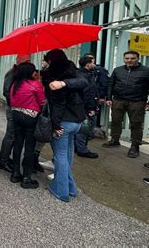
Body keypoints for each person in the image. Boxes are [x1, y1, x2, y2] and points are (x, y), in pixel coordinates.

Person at [41, 49, 88, 202]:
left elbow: (57, 105)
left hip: (63, 123)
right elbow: (84, 82)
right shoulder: (74, 72)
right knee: (67, 155)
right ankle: (71, 188)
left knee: (60, 156)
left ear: (51, 61)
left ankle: (61, 191)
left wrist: (55, 126)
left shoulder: (52, 78)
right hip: (77, 122)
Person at [102, 51, 149, 158]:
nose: (129, 60)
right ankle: (115, 140)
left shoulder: (147, 71)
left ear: (138, 59)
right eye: (127, 58)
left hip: (137, 101)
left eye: (132, 58)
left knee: (136, 124)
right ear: (124, 59)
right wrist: (109, 98)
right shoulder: (118, 70)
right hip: (118, 100)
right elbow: (111, 84)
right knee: (116, 120)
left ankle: (135, 146)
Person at [9, 62, 45, 189]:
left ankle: (15, 174)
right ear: (30, 72)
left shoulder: (15, 84)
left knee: (18, 144)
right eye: (34, 71)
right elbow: (42, 102)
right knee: (30, 147)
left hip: (16, 115)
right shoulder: (35, 85)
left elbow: (12, 100)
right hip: (30, 117)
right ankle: (26, 178)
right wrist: (39, 83)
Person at [0, 54, 30, 174]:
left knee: (14, 134)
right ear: (21, 62)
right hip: (13, 108)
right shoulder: (12, 74)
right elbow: (6, 91)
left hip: (16, 107)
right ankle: (3, 161)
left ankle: (6, 158)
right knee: (11, 134)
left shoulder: (18, 74)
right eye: (27, 61)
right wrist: (16, 103)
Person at [75, 56, 99, 158]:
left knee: (81, 128)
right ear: (88, 64)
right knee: (84, 129)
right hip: (85, 107)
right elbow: (88, 93)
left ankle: (78, 147)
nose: (95, 65)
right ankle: (82, 150)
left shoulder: (82, 74)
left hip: (81, 105)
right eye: (93, 62)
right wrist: (91, 108)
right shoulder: (86, 76)